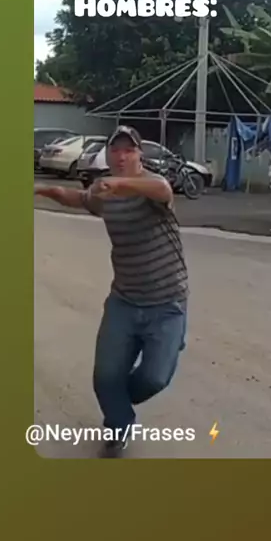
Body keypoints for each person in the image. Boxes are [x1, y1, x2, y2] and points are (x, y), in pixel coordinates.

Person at [35, 125, 188, 457]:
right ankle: (119, 424)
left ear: (139, 154)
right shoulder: (104, 194)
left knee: (154, 379)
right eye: (115, 150)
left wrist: (121, 184)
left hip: (167, 302)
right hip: (124, 300)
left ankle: (121, 398)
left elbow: (163, 189)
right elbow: (77, 198)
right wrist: (43, 189)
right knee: (105, 377)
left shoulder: (150, 187)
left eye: (128, 150)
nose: (121, 156)